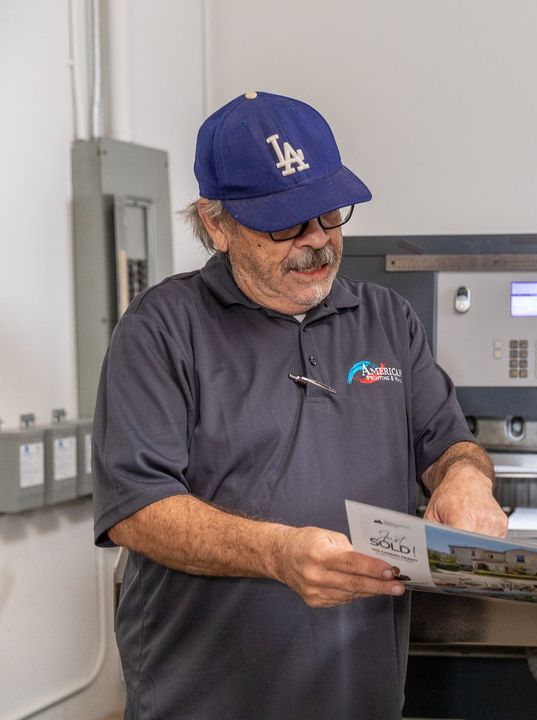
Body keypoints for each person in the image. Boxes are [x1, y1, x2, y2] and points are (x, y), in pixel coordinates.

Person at [92, 91, 507, 719]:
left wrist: (467, 479)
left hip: (358, 696)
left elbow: (449, 443)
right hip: (206, 698)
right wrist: (277, 554)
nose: (316, 242)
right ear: (217, 224)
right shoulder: (161, 329)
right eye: (285, 224)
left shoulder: (386, 319)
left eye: (329, 214)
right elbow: (137, 510)